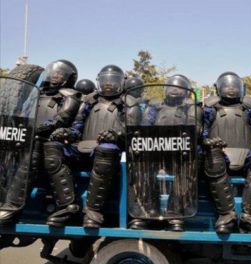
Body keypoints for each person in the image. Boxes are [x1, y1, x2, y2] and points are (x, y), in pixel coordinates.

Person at [48, 65, 141, 228]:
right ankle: (67, 206)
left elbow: (133, 130)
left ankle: (93, 211)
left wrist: (117, 134)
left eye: (113, 81)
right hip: (83, 146)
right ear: (99, 81)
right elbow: (77, 125)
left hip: (112, 150)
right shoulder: (89, 100)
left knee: (106, 149)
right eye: (105, 81)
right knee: (53, 147)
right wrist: (67, 133)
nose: (108, 84)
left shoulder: (129, 102)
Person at [0, 60, 82, 225]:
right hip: (28, 136)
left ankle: (14, 206)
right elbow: (22, 113)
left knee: (35, 148)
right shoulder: (36, 94)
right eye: (53, 72)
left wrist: (37, 129)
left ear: (69, 78)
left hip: (53, 138)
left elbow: (62, 118)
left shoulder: (70, 95)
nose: (55, 76)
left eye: (60, 74)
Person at [129, 74, 201, 231]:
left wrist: (186, 136)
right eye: (172, 87)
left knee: (186, 173)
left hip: (180, 149)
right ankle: (147, 211)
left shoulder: (191, 106)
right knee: (143, 169)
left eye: (179, 87)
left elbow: (195, 126)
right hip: (156, 147)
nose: (174, 90)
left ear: (186, 91)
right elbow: (146, 124)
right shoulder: (155, 105)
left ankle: (175, 213)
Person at [203, 72, 251, 234]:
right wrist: (207, 142)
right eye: (227, 86)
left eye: (234, 86)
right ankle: (226, 215)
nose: (231, 90)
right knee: (212, 159)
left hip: (246, 153)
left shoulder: (250, 106)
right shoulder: (210, 107)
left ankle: (249, 216)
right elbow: (203, 133)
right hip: (220, 153)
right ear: (219, 88)